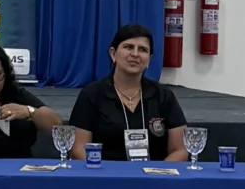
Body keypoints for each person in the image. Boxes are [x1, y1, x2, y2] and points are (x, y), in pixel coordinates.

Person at [66, 23, 187, 162]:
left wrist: (158, 173)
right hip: (104, 173)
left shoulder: (164, 95)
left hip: (153, 173)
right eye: (128, 47)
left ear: (149, 59)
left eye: (142, 49)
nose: (135, 54)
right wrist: (102, 172)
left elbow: (180, 150)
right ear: (113, 54)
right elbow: (77, 149)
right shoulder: (91, 94)